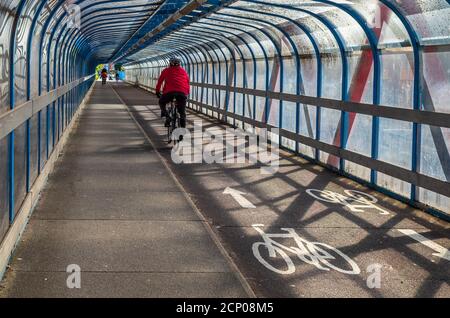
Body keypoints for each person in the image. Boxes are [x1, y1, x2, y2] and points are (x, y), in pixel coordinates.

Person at [155, 57, 190, 129]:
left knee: (161, 102)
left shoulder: (166, 70)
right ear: (179, 64)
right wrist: (186, 93)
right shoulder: (183, 71)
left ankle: (168, 117)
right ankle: (182, 131)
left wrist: (157, 91)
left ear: (170, 63)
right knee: (182, 113)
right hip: (182, 93)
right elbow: (187, 82)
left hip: (169, 93)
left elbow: (160, 82)